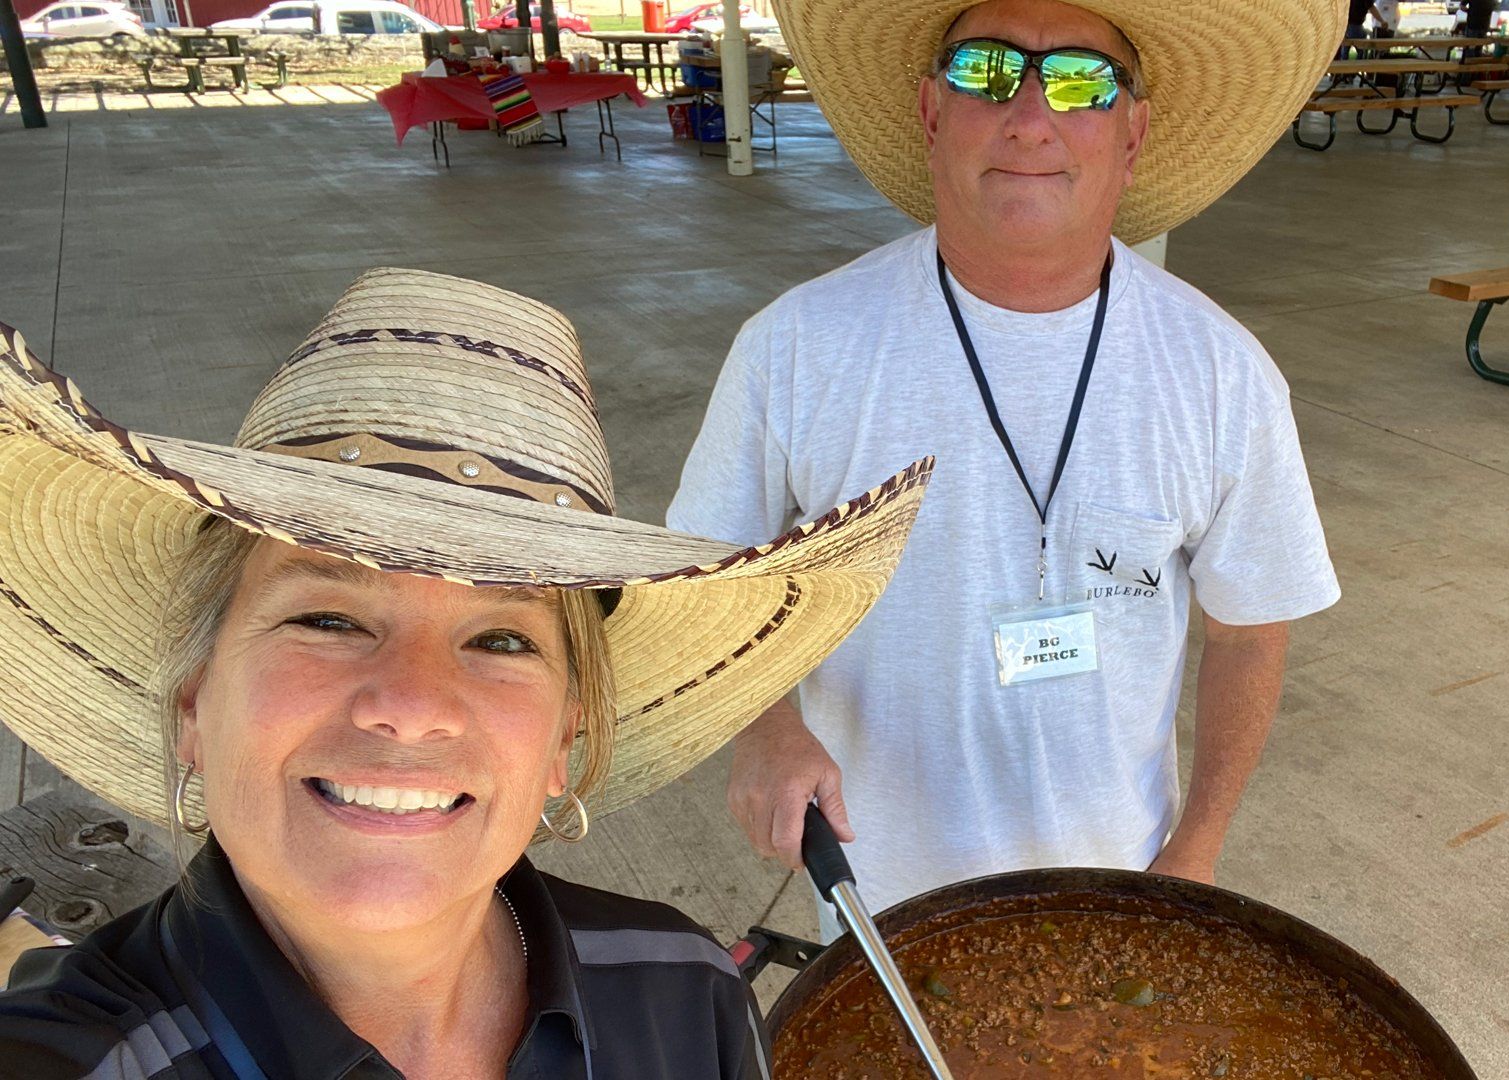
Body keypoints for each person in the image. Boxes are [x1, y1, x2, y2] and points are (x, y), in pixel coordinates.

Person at [0, 268, 928, 1077]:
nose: (411, 706)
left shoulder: (683, 995)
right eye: (328, 620)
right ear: (193, 700)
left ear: (564, 737)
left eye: (501, 641)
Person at [671, 0, 1342, 937]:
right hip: (875, 894)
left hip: (1118, 886)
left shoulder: (1223, 373)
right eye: (985, 71)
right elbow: (705, 572)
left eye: (1081, 81)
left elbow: (1250, 633)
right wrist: (764, 724)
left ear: (1133, 134)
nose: (1030, 117)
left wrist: (1195, 852)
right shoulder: (796, 347)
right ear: (931, 112)